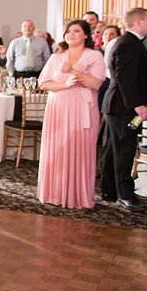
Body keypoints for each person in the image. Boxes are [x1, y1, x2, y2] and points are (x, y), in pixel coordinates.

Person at [37, 20, 106, 209]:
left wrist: (73, 71)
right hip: (58, 107)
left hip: (82, 108)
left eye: (76, 31)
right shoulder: (56, 57)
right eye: (68, 31)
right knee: (57, 148)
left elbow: (96, 84)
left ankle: (78, 196)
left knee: (80, 149)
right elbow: (43, 83)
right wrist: (64, 85)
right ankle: (54, 193)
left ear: (85, 35)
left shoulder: (94, 56)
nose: (71, 34)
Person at [99, 7, 147, 211]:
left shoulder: (127, 43)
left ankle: (110, 190)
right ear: (139, 22)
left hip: (119, 104)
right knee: (124, 149)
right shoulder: (128, 44)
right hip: (123, 107)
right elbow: (124, 77)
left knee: (113, 149)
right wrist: (137, 104)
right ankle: (124, 194)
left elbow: (131, 75)